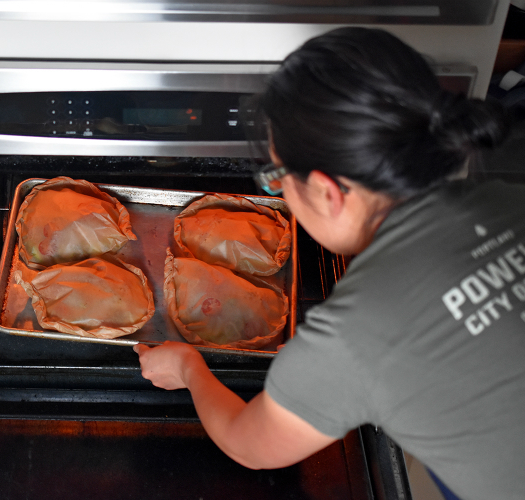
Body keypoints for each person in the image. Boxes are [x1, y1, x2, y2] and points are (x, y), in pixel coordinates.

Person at [134, 27, 525, 500]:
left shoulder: (352, 337)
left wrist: (190, 371)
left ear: (326, 190)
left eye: (278, 177)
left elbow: (249, 445)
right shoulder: (511, 198)